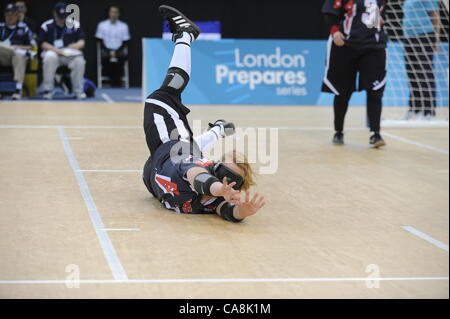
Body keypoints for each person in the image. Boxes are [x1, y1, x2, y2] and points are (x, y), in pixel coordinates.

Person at [142, 5, 265, 222]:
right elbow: (201, 178)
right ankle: (184, 37)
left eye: (223, 163)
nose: (229, 157)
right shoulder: (206, 185)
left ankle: (186, 35)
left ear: (218, 171)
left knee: (161, 99)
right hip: (164, 158)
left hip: (161, 162)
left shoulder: (205, 184)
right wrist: (222, 193)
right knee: (183, 138)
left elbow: (204, 184)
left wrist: (240, 211)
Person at [322, 0, 387, 148]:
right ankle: (338, 131)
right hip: (346, 45)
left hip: (373, 45)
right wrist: (335, 31)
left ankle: (375, 133)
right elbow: (330, 13)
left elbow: (380, 14)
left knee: (376, 90)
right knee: (343, 92)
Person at [39, 1, 86, 100]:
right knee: (49, 56)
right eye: (60, 16)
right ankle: (48, 90)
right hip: (54, 53)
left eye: (64, 16)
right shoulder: (46, 25)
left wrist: (75, 45)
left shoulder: (75, 24)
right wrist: (56, 50)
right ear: (54, 13)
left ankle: (78, 90)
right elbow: (43, 43)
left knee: (80, 61)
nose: (62, 19)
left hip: (69, 54)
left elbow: (82, 41)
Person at [403, 0, 441, 118]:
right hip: (409, 37)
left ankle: (428, 111)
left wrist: (437, 40)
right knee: (412, 74)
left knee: (424, 73)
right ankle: (415, 108)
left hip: (424, 36)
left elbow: (435, 16)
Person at [0, 3, 33, 100]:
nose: (9, 17)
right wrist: (12, 49)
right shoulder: (0, 26)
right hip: (2, 56)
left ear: (17, 15)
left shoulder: (24, 28)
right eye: (7, 15)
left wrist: (17, 47)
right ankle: (14, 50)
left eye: (12, 14)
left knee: (19, 55)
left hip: (16, 57)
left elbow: (31, 47)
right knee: (17, 52)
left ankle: (18, 89)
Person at [95, 5, 130, 87]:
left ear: (119, 14)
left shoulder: (124, 26)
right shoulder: (102, 25)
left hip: (119, 50)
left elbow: (125, 42)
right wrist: (109, 52)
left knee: (121, 58)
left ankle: (117, 82)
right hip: (106, 50)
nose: (113, 14)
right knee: (105, 57)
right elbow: (99, 41)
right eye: (112, 12)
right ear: (109, 13)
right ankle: (112, 81)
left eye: (115, 12)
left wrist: (116, 52)